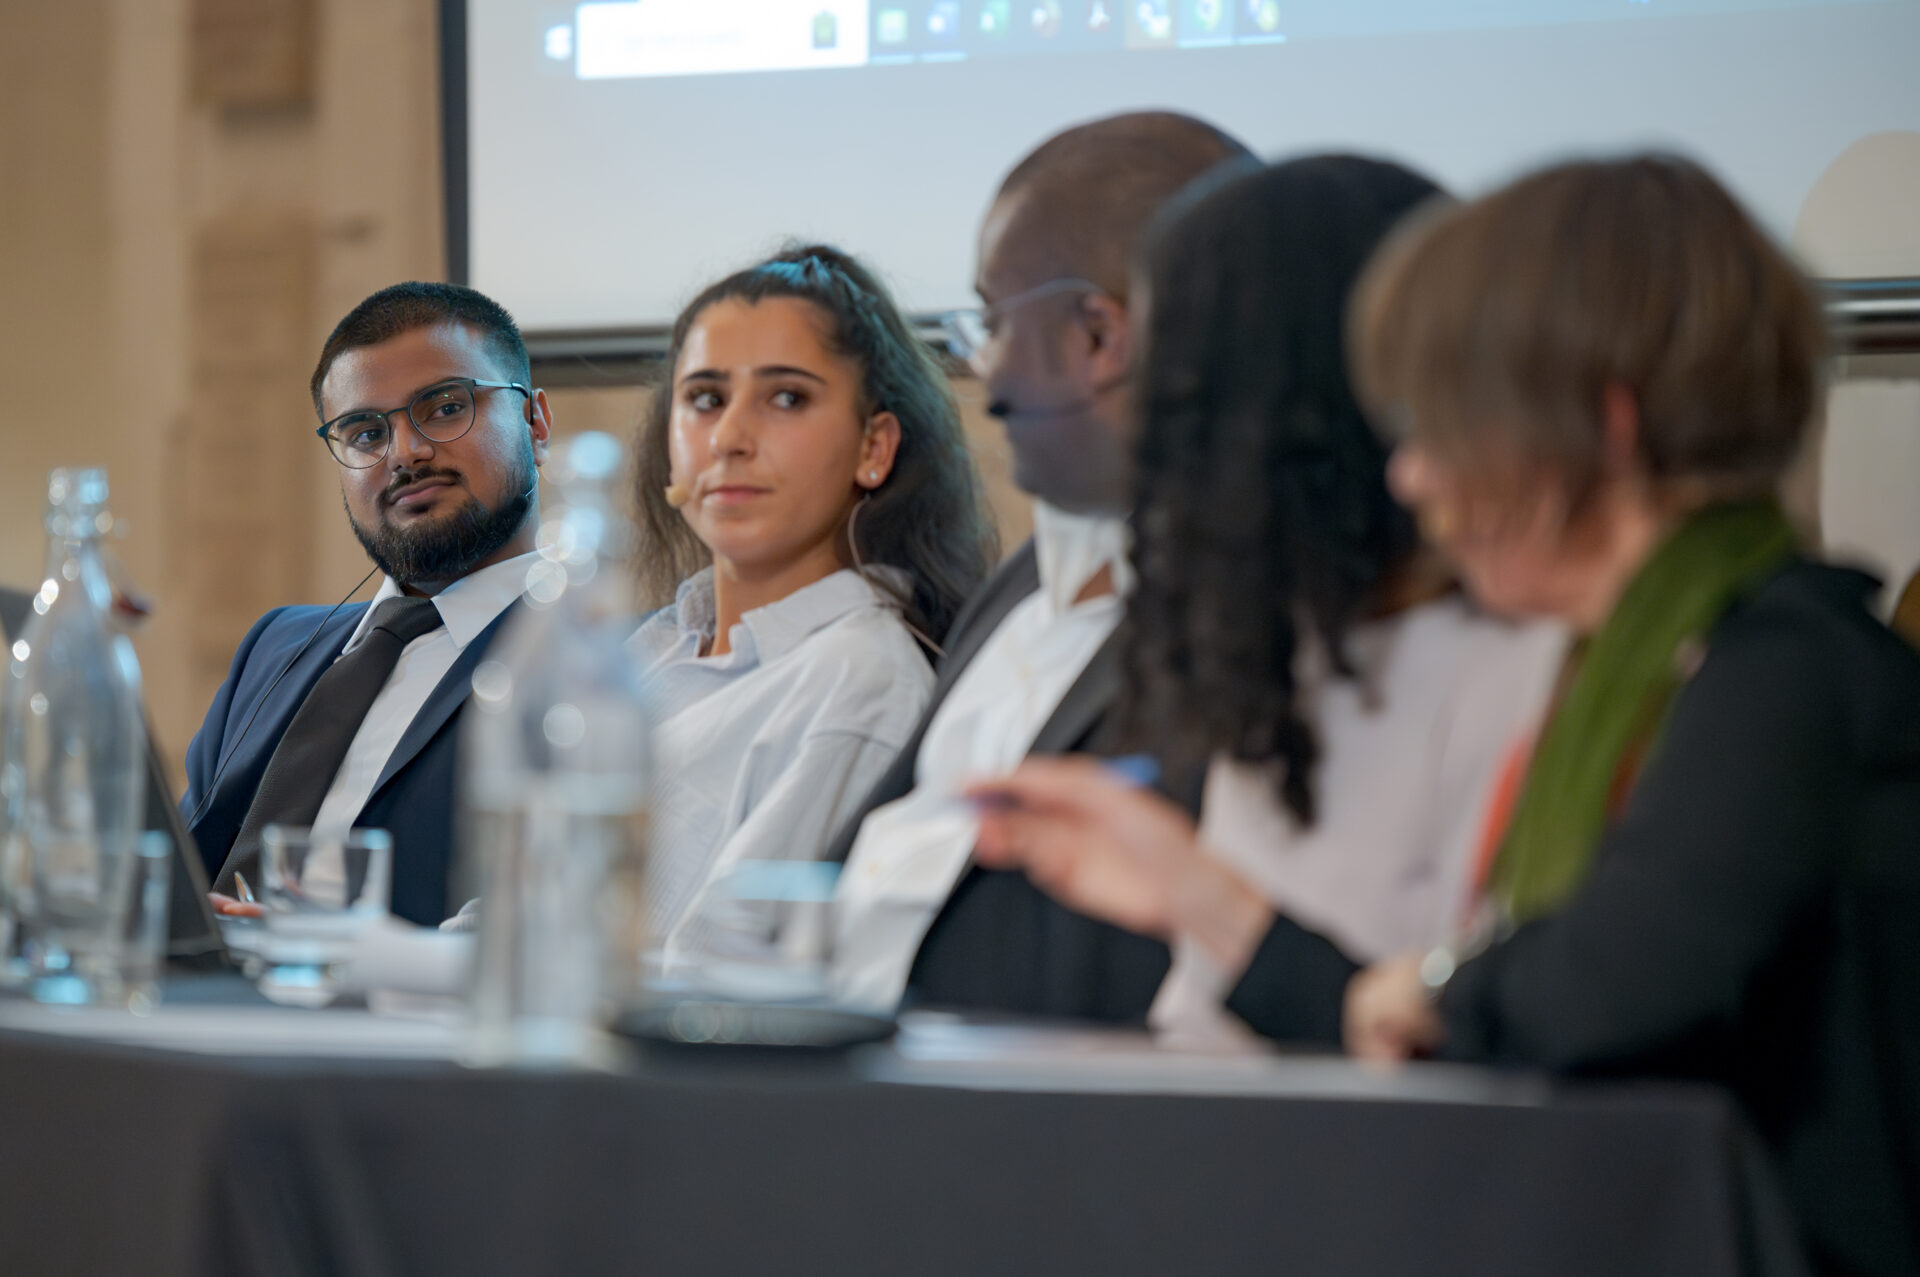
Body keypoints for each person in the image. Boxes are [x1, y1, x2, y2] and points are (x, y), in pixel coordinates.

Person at [992, 156, 1920, 1276]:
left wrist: (1407, 983)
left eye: (1441, 426)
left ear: (1600, 427)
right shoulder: (1682, 656)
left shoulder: (1784, 666)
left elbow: (1593, 989)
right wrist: (1209, 900)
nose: (1413, 477)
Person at [963, 155, 1566, 1045]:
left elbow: (1448, 1047)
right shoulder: (1288, 656)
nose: (1163, 454)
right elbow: (1198, 1026)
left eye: (1186, 402)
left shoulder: (1523, 668)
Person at [826, 111, 1253, 1019]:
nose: (983, 370)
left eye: (993, 322)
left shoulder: (1260, 614)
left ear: (1100, 339)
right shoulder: (1025, 579)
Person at [627, 245, 997, 970]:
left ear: (874, 447)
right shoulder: (650, 647)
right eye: (705, 398)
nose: (730, 438)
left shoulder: (859, 677)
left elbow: (723, 975)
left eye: (787, 398)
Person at [182, 282, 553, 926]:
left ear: (535, 423)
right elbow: (183, 859)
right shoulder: (276, 644)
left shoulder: (600, 662)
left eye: (444, 409)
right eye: (364, 432)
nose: (404, 453)